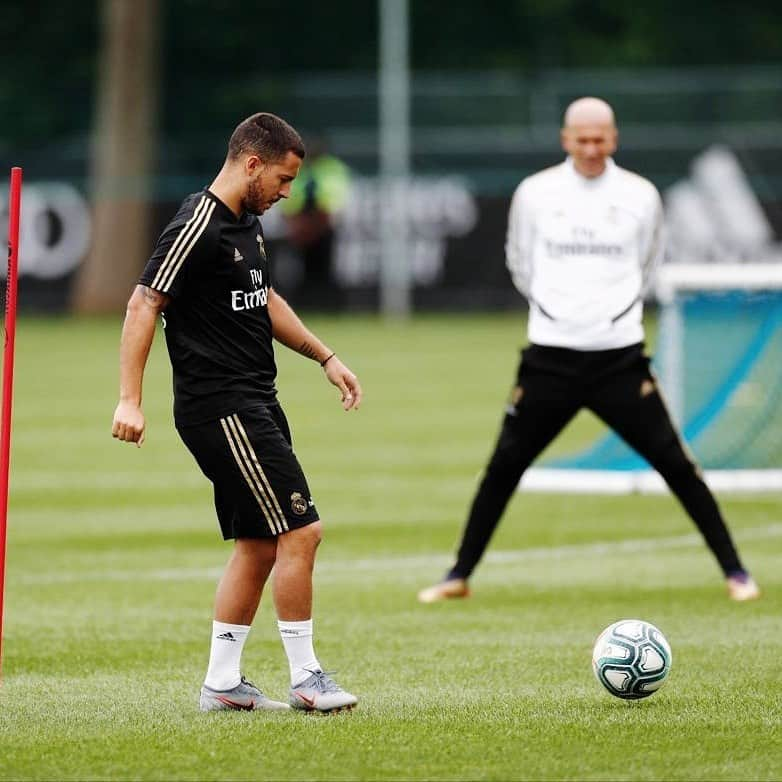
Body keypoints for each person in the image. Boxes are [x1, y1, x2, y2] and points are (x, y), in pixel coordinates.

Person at [418, 97, 760, 605]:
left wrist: (610, 316)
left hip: (619, 360)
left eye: (601, 139)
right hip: (549, 359)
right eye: (583, 139)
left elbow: (650, 262)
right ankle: (458, 575)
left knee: (675, 463)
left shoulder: (641, 195)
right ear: (566, 139)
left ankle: (735, 573)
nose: (592, 148)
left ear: (614, 139)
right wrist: (561, 313)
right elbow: (520, 261)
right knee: (504, 466)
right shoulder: (535, 193)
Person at [112, 112, 363, 713]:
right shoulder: (197, 224)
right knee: (302, 530)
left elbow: (265, 299)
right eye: (282, 178)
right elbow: (144, 303)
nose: (287, 192)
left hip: (255, 401)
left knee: (257, 543)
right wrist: (130, 398)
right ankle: (307, 677)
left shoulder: (246, 223)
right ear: (252, 163)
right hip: (222, 407)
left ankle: (222, 685)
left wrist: (323, 356)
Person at [280, 137, 351, 306]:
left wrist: (311, 226)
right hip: (300, 230)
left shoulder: (331, 169)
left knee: (325, 271)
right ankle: (307, 307)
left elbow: (333, 203)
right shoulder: (297, 168)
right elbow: (287, 201)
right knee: (301, 273)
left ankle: (327, 307)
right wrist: (296, 225)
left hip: (322, 229)